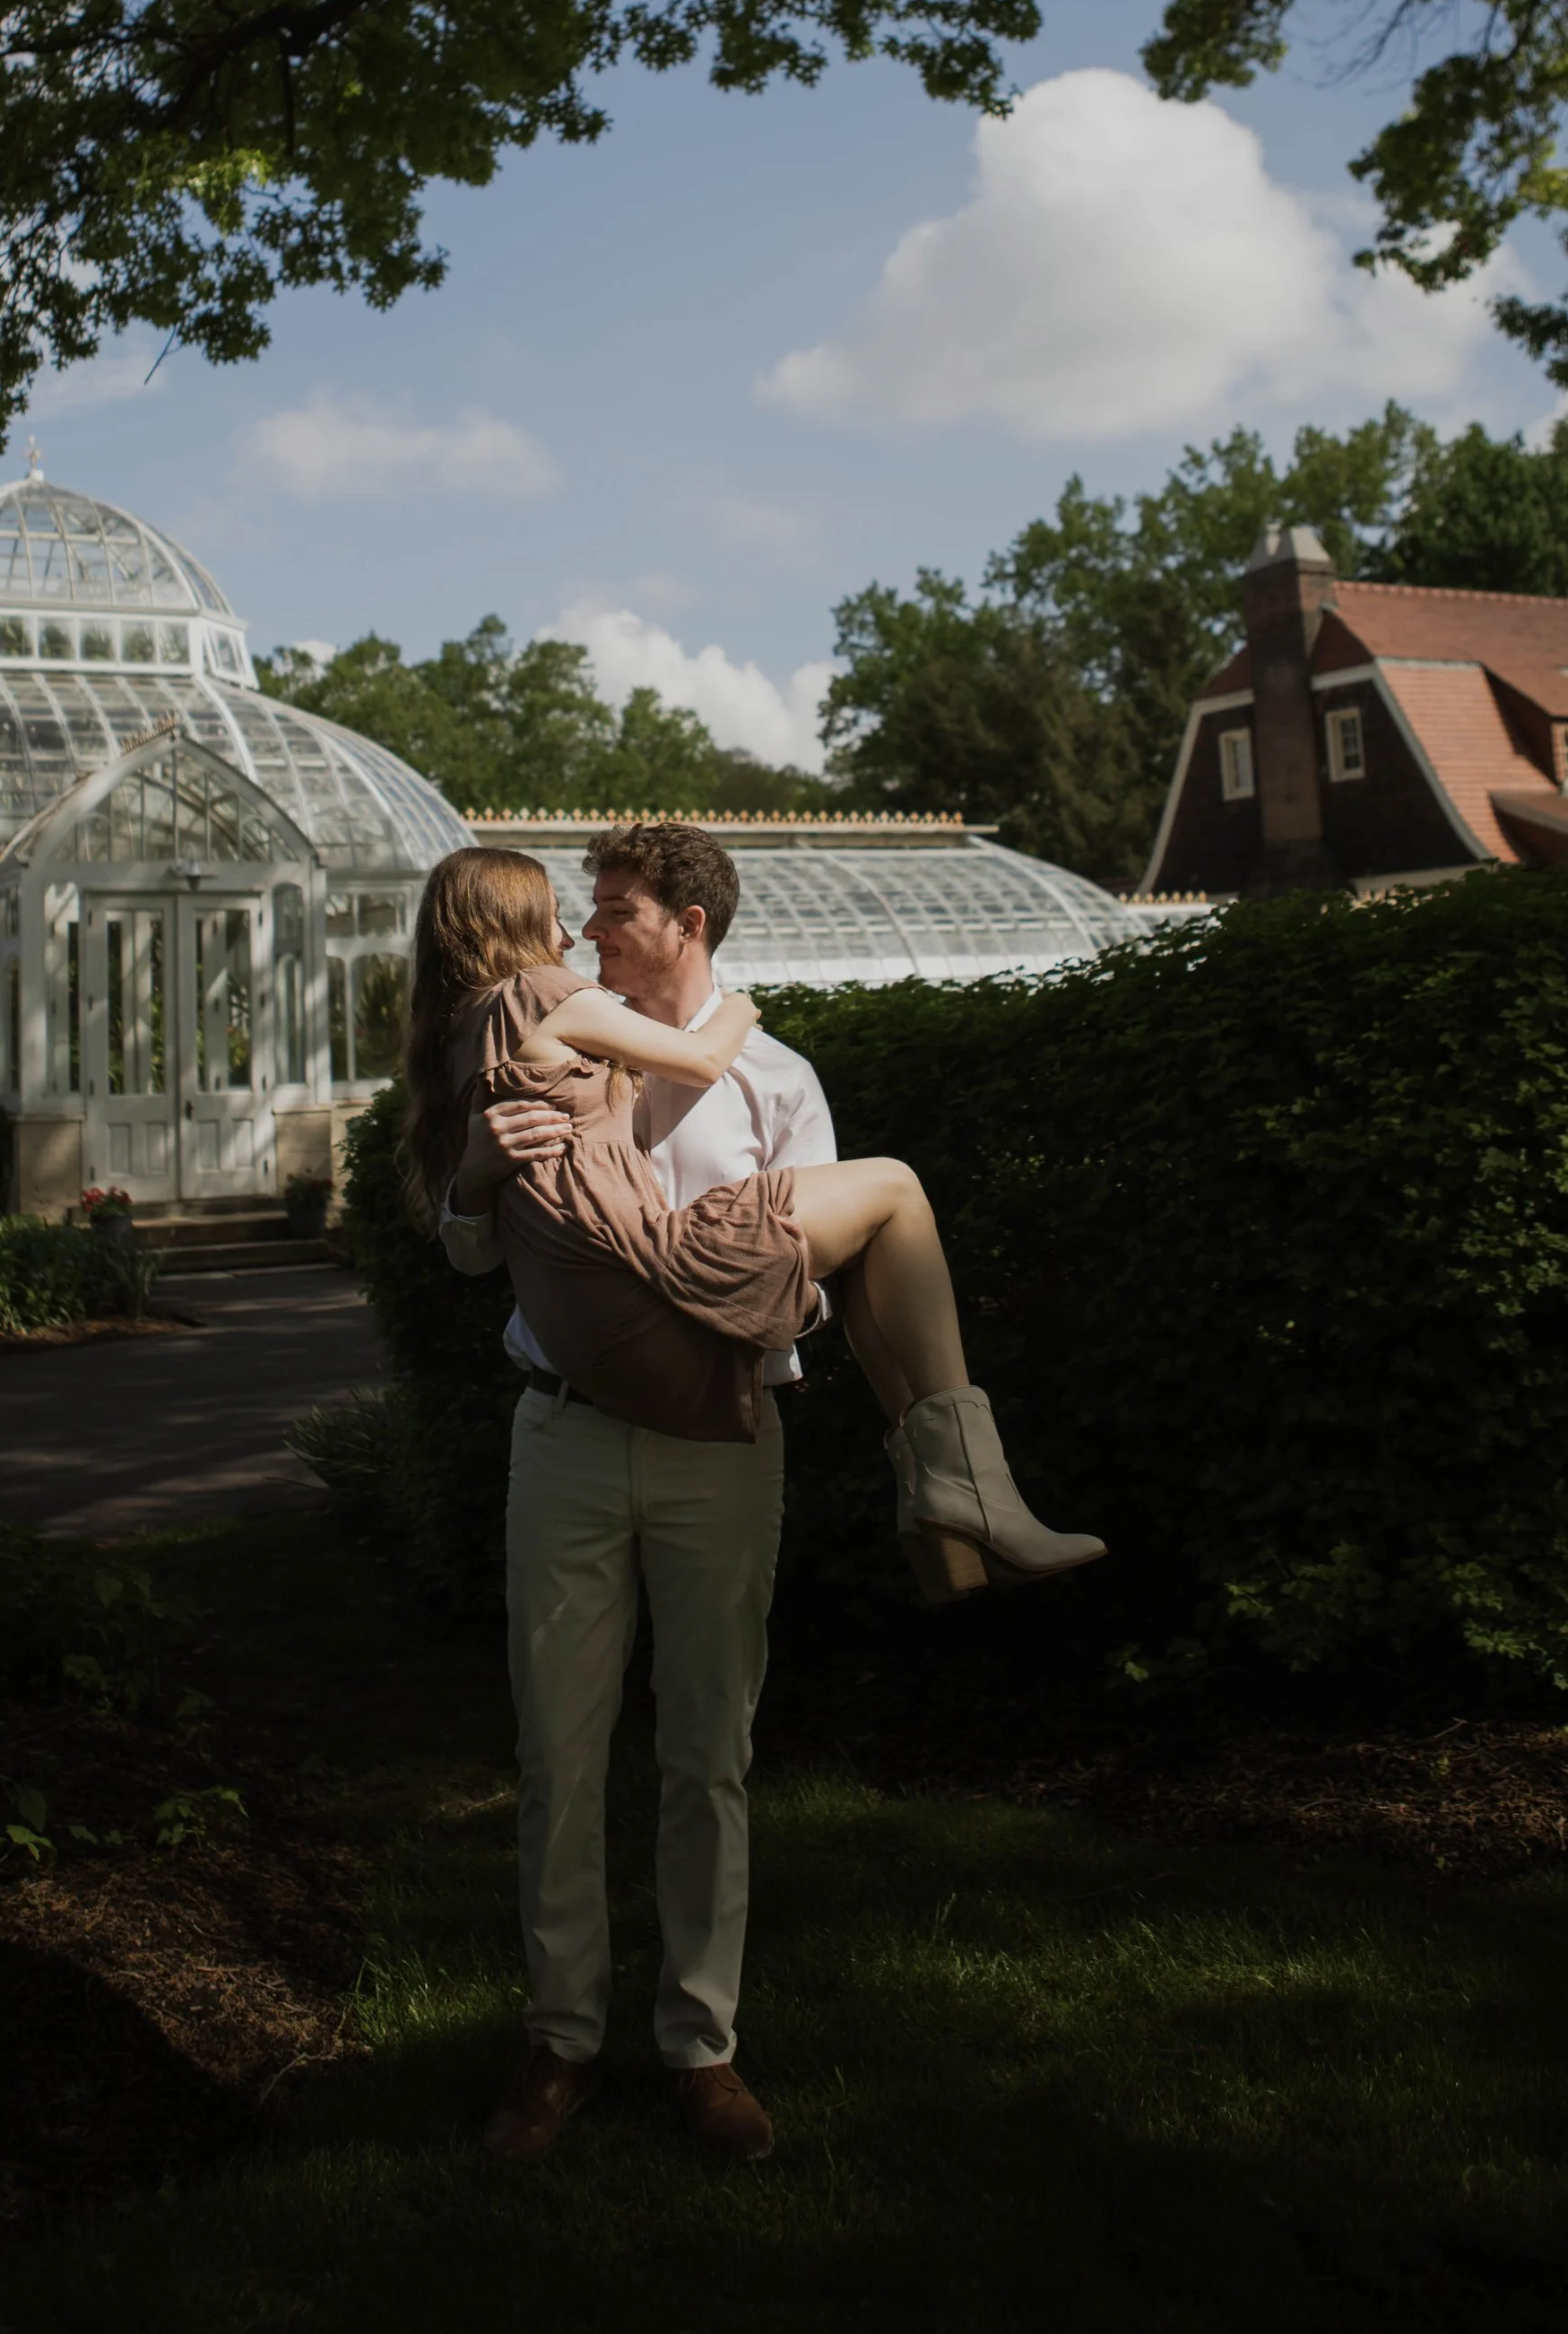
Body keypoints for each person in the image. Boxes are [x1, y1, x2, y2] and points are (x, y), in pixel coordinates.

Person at [402, 822, 1101, 2169]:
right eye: (584, 908)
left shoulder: (775, 1077)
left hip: (725, 1440)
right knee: (556, 1758)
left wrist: (687, 1306)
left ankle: (699, 2047)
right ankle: (559, 2043)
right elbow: (469, 1252)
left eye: (614, 910)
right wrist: (479, 1176)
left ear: (689, 923)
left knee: (707, 1758)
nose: (588, 929)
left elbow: (819, 1278)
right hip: (562, 1433)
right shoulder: (539, 1036)